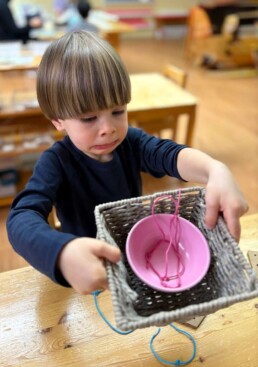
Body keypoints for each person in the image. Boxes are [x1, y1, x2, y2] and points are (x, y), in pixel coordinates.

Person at [6, 31, 248, 295]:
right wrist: (61, 252)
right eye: (89, 118)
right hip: (87, 271)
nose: (108, 129)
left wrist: (215, 169)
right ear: (58, 120)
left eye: (118, 111)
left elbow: (169, 154)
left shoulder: (129, 142)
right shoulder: (56, 162)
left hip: (136, 257)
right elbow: (21, 218)